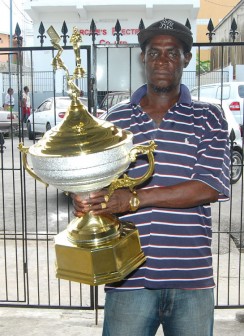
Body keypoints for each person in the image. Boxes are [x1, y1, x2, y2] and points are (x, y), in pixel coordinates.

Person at [72, 18, 230, 336]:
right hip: (128, 277)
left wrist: (133, 199)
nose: (162, 60)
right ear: (143, 57)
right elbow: (99, 182)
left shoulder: (208, 117)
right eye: (154, 52)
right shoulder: (115, 119)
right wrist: (88, 199)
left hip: (191, 280)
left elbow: (209, 186)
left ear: (185, 59)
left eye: (172, 53)